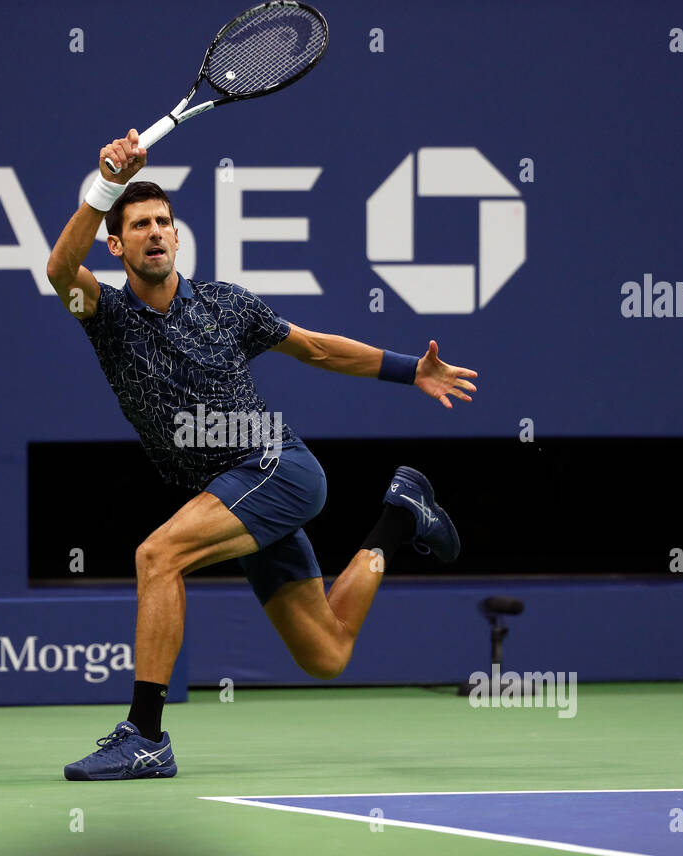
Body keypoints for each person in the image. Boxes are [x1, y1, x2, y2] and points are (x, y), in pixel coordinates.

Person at [45, 130, 477, 779]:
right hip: (229, 496)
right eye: (139, 225)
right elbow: (57, 270)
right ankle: (401, 515)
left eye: (164, 221)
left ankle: (147, 735)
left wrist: (409, 370)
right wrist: (103, 183)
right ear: (117, 244)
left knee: (157, 556)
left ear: (178, 236)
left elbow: (317, 348)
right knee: (325, 652)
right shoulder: (104, 315)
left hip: (276, 468)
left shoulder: (226, 304)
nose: (156, 232)